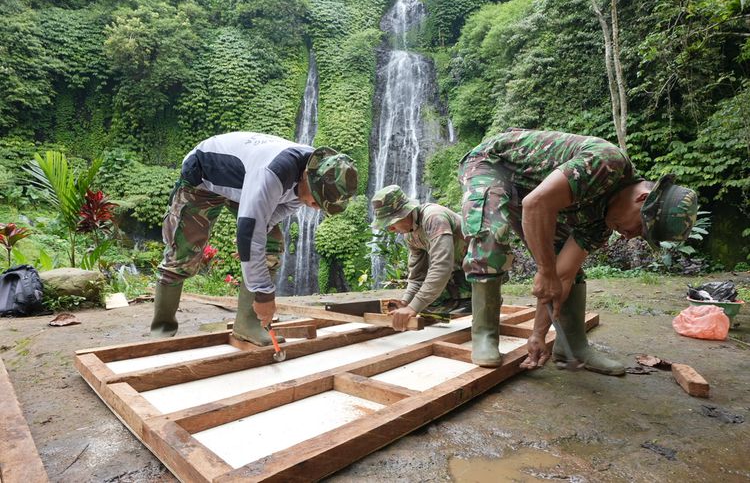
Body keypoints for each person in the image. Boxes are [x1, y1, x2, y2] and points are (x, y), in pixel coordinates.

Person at [459, 128, 698, 370]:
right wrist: (545, 269)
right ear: (642, 199)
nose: (629, 236)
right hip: (492, 165)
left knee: (562, 266)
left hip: (534, 194)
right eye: (639, 228)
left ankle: (571, 344)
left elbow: (562, 273)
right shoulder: (606, 163)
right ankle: (485, 334)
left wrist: (538, 335)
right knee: (490, 233)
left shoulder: (601, 226)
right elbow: (536, 203)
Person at [150, 132, 358, 345]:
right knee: (184, 252)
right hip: (205, 174)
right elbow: (251, 230)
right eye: (316, 199)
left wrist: (255, 239)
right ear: (307, 175)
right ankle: (162, 328)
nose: (315, 206)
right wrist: (263, 294)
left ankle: (247, 326)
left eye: (323, 204)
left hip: (246, 184)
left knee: (269, 243)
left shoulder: (318, 174)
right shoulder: (273, 173)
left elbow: (282, 209)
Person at [371, 185, 472, 331]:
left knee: (422, 301)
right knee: (425, 302)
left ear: (406, 213)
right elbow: (417, 277)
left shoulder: (434, 218)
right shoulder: (410, 234)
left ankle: (486, 300)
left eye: (391, 223)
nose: (391, 230)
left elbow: (441, 267)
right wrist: (406, 303)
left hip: (483, 268)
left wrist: (413, 307)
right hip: (460, 272)